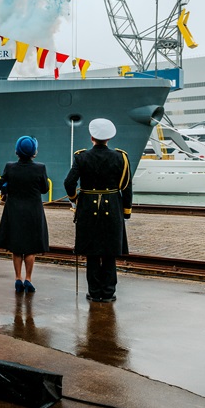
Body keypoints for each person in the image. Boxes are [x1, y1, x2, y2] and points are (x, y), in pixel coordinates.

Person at [64, 118, 133, 303]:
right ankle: (108, 292)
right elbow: (126, 187)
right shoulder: (121, 157)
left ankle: (94, 292)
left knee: (92, 252)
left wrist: (75, 200)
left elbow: (69, 183)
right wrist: (126, 212)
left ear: (92, 136)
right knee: (110, 252)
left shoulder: (81, 156)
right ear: (109, 138)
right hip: (112, 205)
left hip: (88, 206)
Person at [0, 136, 50, 293]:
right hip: (33, 211)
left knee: (17, 248)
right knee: (30, 248)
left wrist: (6, 191)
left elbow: (1, 185)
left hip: (14, 210)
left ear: (17, 151)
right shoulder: (40, 168)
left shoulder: (10, 167)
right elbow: (44, 188)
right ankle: (28, 279)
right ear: (34, 153)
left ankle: (17, 278)